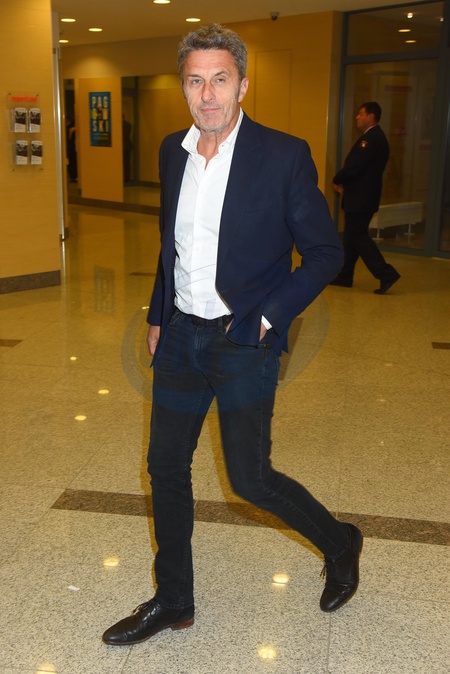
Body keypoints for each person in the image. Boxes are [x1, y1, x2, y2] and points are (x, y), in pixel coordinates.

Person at [102, 24, 363, 647]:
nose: (207, 94)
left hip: (244, 338)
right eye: (195, 81)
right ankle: (173, 600)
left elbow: (325, 252)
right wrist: (158, 313)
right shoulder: (173, 151)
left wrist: (268, 318)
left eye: (220, 79)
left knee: (250, 479)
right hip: (180, 335)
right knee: (165, 466)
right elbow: (171, 246)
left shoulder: (283, 155)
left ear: (242, 85)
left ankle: (340, 541)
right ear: (184, 87)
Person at [330, 102, 400, 294]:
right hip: (361, 197)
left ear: (371, 116)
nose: (357, 117)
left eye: (361, 114)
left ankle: (386, 273)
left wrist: (338, 179)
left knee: (358, 236)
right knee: (351, 237)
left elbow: (355, 166)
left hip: (361, 198)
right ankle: (345, 276)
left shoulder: (371, 139)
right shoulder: (374, 137)